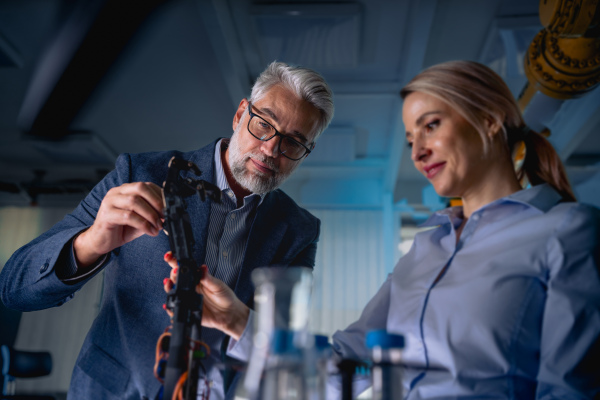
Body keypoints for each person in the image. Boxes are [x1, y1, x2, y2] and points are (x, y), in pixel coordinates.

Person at [168, 60, 600, 399]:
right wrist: (240, 321)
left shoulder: (565, 232)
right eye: (411, 138)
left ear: (489, 120)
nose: (418, 151)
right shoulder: (425, 250)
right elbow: (349, 370)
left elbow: (570, 390)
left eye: (431, 125)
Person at [0, 61, 334, 400]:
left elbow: (284, 342)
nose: (270, 149)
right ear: (240, 115)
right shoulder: (139, 172)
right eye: (264, 124)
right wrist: (90, 242)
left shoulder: (300, 230)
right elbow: (14, 288)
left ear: (306, 153)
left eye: (293, 142)